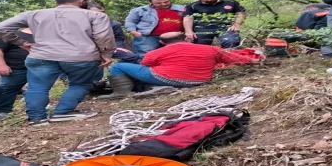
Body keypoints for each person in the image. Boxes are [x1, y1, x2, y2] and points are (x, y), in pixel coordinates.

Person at [0, 0, 117, 126]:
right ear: (81, 1)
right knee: (79, 84)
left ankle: (36, 119)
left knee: (37, 87)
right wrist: (106, 54)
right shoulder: (96, 16)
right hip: (81, 56)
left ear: (56, 2)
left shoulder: (33, 14)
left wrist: (20, 42)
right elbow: (103, 37)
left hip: (41, 56)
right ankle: (62, 112)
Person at [100, 32, 259, 98]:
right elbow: (234, 58)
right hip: (199, 81)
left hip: (166, 79)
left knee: (118, 67)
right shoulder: (211, 48)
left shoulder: (156, 52)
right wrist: (254, 60)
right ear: (187, 38)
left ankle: (122, 92)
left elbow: (146, 64)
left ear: (161, 42)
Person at [0, 28, 34, 118]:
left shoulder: (45, 34)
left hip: (38, 68)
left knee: (38, 88)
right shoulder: (13, 35)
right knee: (8, 89)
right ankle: (0, 110)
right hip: (16, 68)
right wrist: (0, 65)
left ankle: (36, 108)